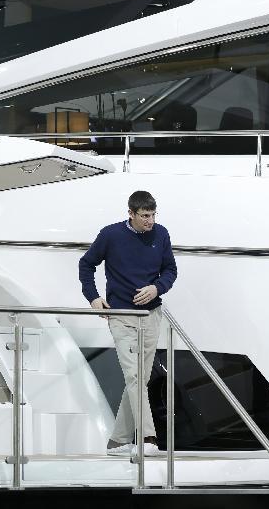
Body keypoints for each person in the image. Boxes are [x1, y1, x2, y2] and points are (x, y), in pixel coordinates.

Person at [78, 190, 177, 455]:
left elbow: (170, 270)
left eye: (153, 215)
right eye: (145, 216)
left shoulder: (161, 234)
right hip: (121, 317)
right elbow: (86, 265)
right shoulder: (110, 235)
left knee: (139, 380)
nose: (150, 221)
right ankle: (148, 438)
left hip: (152, 316)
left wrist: (157, 288)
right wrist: (94, 298)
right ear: (130, 213)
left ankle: (117, 441)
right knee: (134, 376)